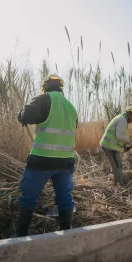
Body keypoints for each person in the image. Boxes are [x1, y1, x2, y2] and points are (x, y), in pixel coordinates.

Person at [16, 74, 78, 237]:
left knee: (28, 198)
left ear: (45, 87)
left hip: (42, 161)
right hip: (65, 162)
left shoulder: (44, 99)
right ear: (60, 88)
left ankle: (21, 238)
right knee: (65, 198)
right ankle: (66, 234)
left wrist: (20, 114)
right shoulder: (71, 107)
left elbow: (26, 115)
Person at [100, 106, 132, 185]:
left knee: (118, 164)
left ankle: (112, 183)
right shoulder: (122, 120)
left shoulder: (122, 118)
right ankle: (119, 186)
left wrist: (124, 147)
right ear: (129, 113)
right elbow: (119, 135)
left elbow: (119, 137)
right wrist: (131, 142)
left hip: (111, 146)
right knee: (116, 167)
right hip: (108, 146)